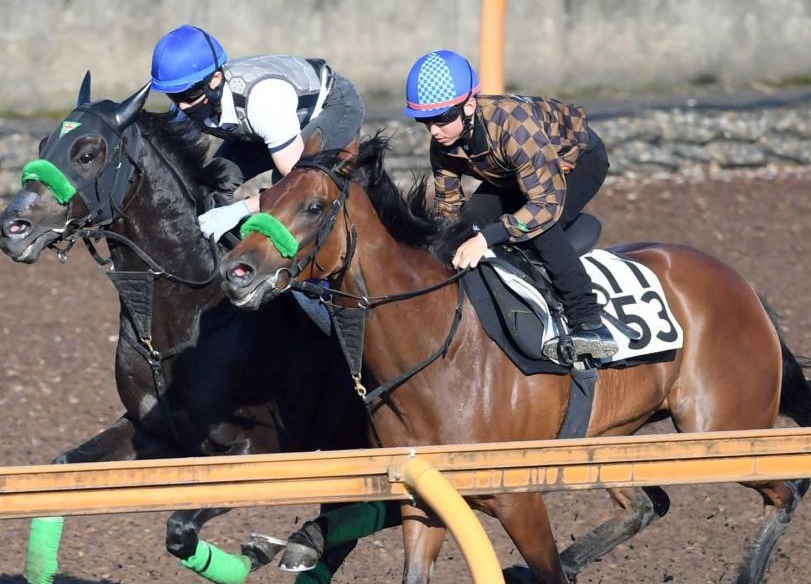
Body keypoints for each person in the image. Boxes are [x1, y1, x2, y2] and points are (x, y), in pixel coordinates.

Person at [404, 49, 617, 359]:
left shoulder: (514, 125)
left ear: (470, 106)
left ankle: (590, 321)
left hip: (575, 163)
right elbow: (449, 209)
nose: (434, 130)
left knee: (538, 229)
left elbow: (543, 205)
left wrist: (488, 238)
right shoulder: (442, 144)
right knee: (471, 221)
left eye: (442, 118)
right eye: (425, 121)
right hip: (511, 172)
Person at [149, 25, 365, 241]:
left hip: (333, 104)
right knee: (212, 186)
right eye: (174, 96)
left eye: (189, 94)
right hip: (268, 124)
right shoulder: (186, 103)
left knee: (290, 191)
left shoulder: (263, 102)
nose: (183, 106)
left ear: (215, 80)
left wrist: (239, 209)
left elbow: (297, 184)